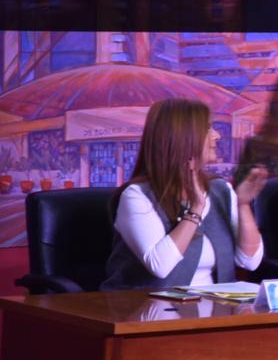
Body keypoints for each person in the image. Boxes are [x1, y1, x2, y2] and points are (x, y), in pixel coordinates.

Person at [102, 98, 268, 290]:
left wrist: (243, 204)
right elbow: (160, 266)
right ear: (184, 137)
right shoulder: (136, 196)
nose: (216, 136)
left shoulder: (220, 190)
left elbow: (250, 262)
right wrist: (196, 210)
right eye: (207, 128)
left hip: (213, 309)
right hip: (144, 310)